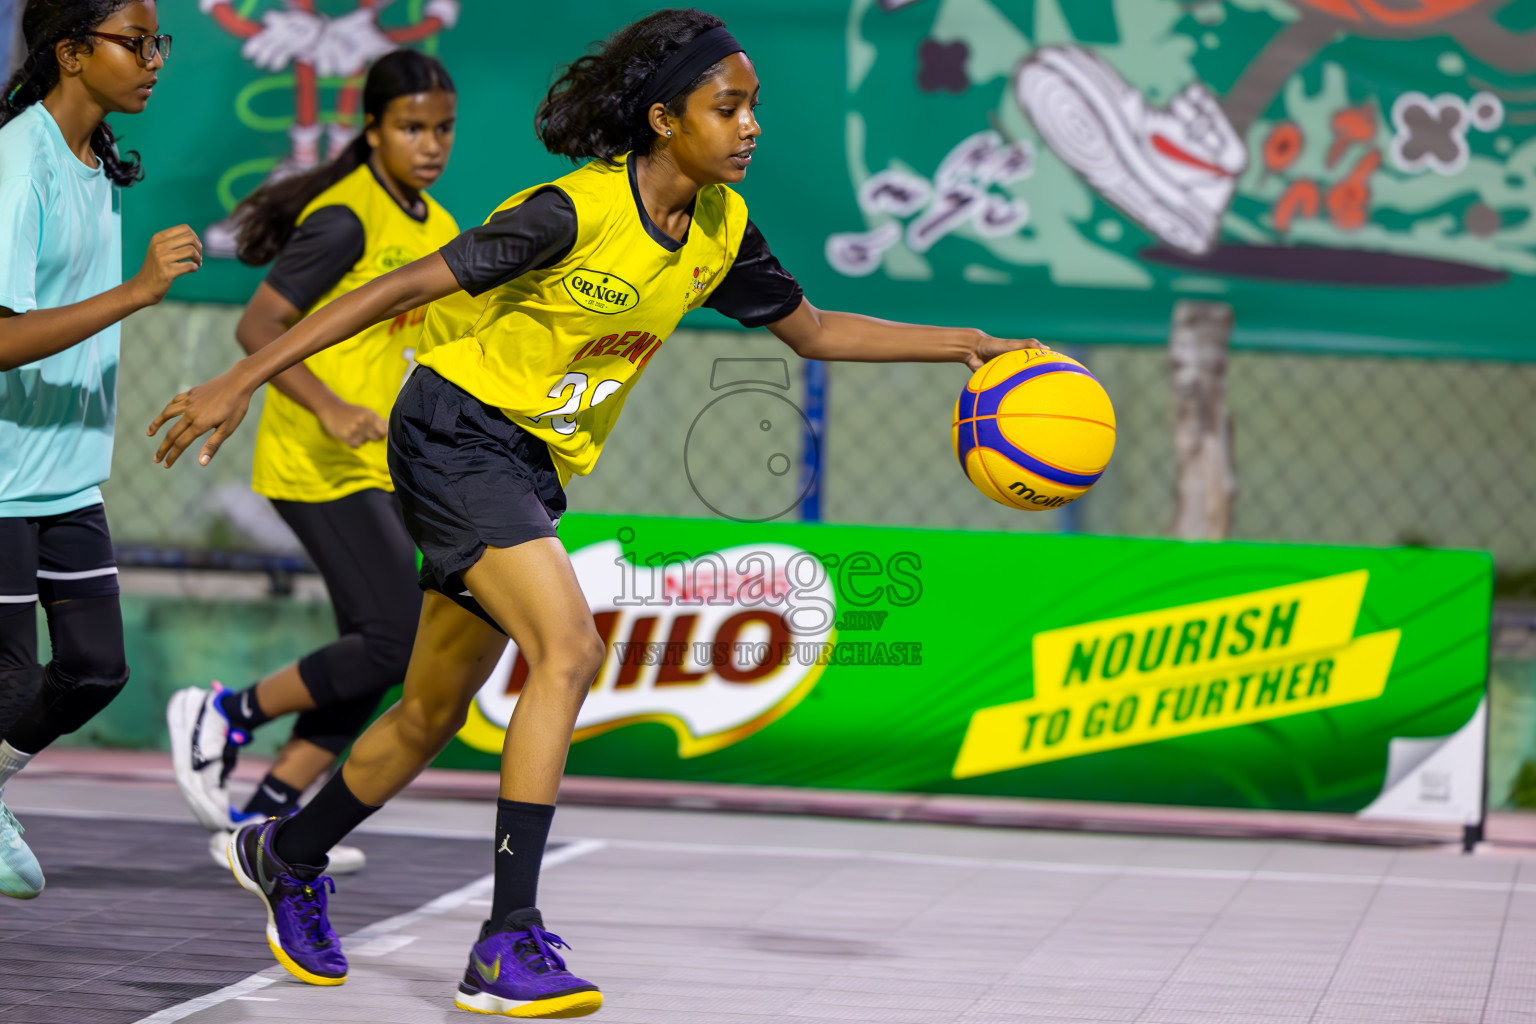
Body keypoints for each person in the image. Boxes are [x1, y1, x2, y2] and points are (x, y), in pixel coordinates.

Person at [148, 7, 1040, 1016]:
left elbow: (818, 330)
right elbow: (389, 292)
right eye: (728, 107)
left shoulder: (720, 228)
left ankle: (287, 850)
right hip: (453, 431)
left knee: (432, 709)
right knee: (568, 647)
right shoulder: (570, 212)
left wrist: (965, 343)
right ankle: (508, 938)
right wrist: (240, 379)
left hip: (525, 464)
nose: (750, 126)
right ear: (665, 119)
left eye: (755, 109)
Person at [164, 48, 459, 877]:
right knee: (393, 638)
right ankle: (223, 713)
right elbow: (258, 327)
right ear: (372, 130)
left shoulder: (432, 226)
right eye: (411, 128)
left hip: (379, 466)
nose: (430, 144)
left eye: (442, 129)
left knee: (375, 648)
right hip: (315, 460)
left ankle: (260, 820)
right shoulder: (347, 218)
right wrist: (329, 406)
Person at [0, 0, 199, 901]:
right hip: (2, 479)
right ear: (71, 53)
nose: (155, 58)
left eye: (160, 41)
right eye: (135, 42)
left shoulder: (99, 161)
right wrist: (139, 292)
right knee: (10, 686)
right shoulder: (17, 160)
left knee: (95, 669)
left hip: (66, 477)